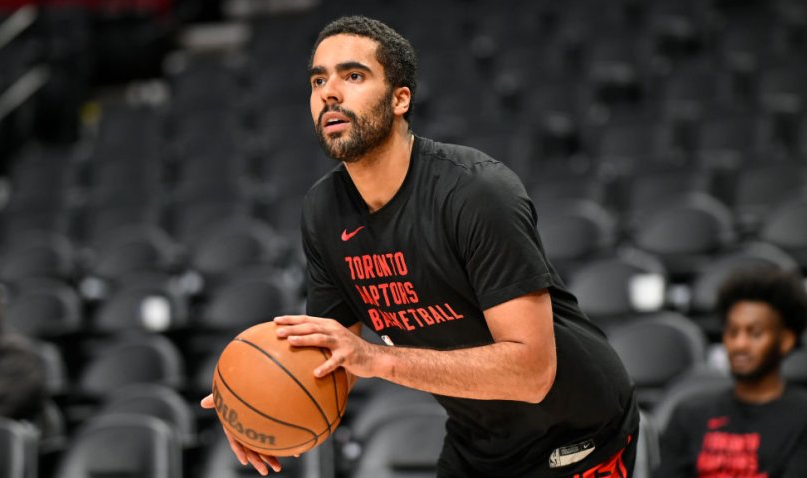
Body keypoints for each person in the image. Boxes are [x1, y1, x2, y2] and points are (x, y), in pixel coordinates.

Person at [202, 15, 639, 477]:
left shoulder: (476, 192)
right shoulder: (324, 211)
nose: (329, 92)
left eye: (353, 75)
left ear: (399, 99)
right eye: (318, 79)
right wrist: (248, 403)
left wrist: (377, 358)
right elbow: (332, 357)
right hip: (479, 438)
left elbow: (532, 374)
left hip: (576, 432)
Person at [657, 265, 807, 477]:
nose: (739, 344)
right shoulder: (688, 413)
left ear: (786, 341)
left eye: (755, 333)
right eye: (732, 332)